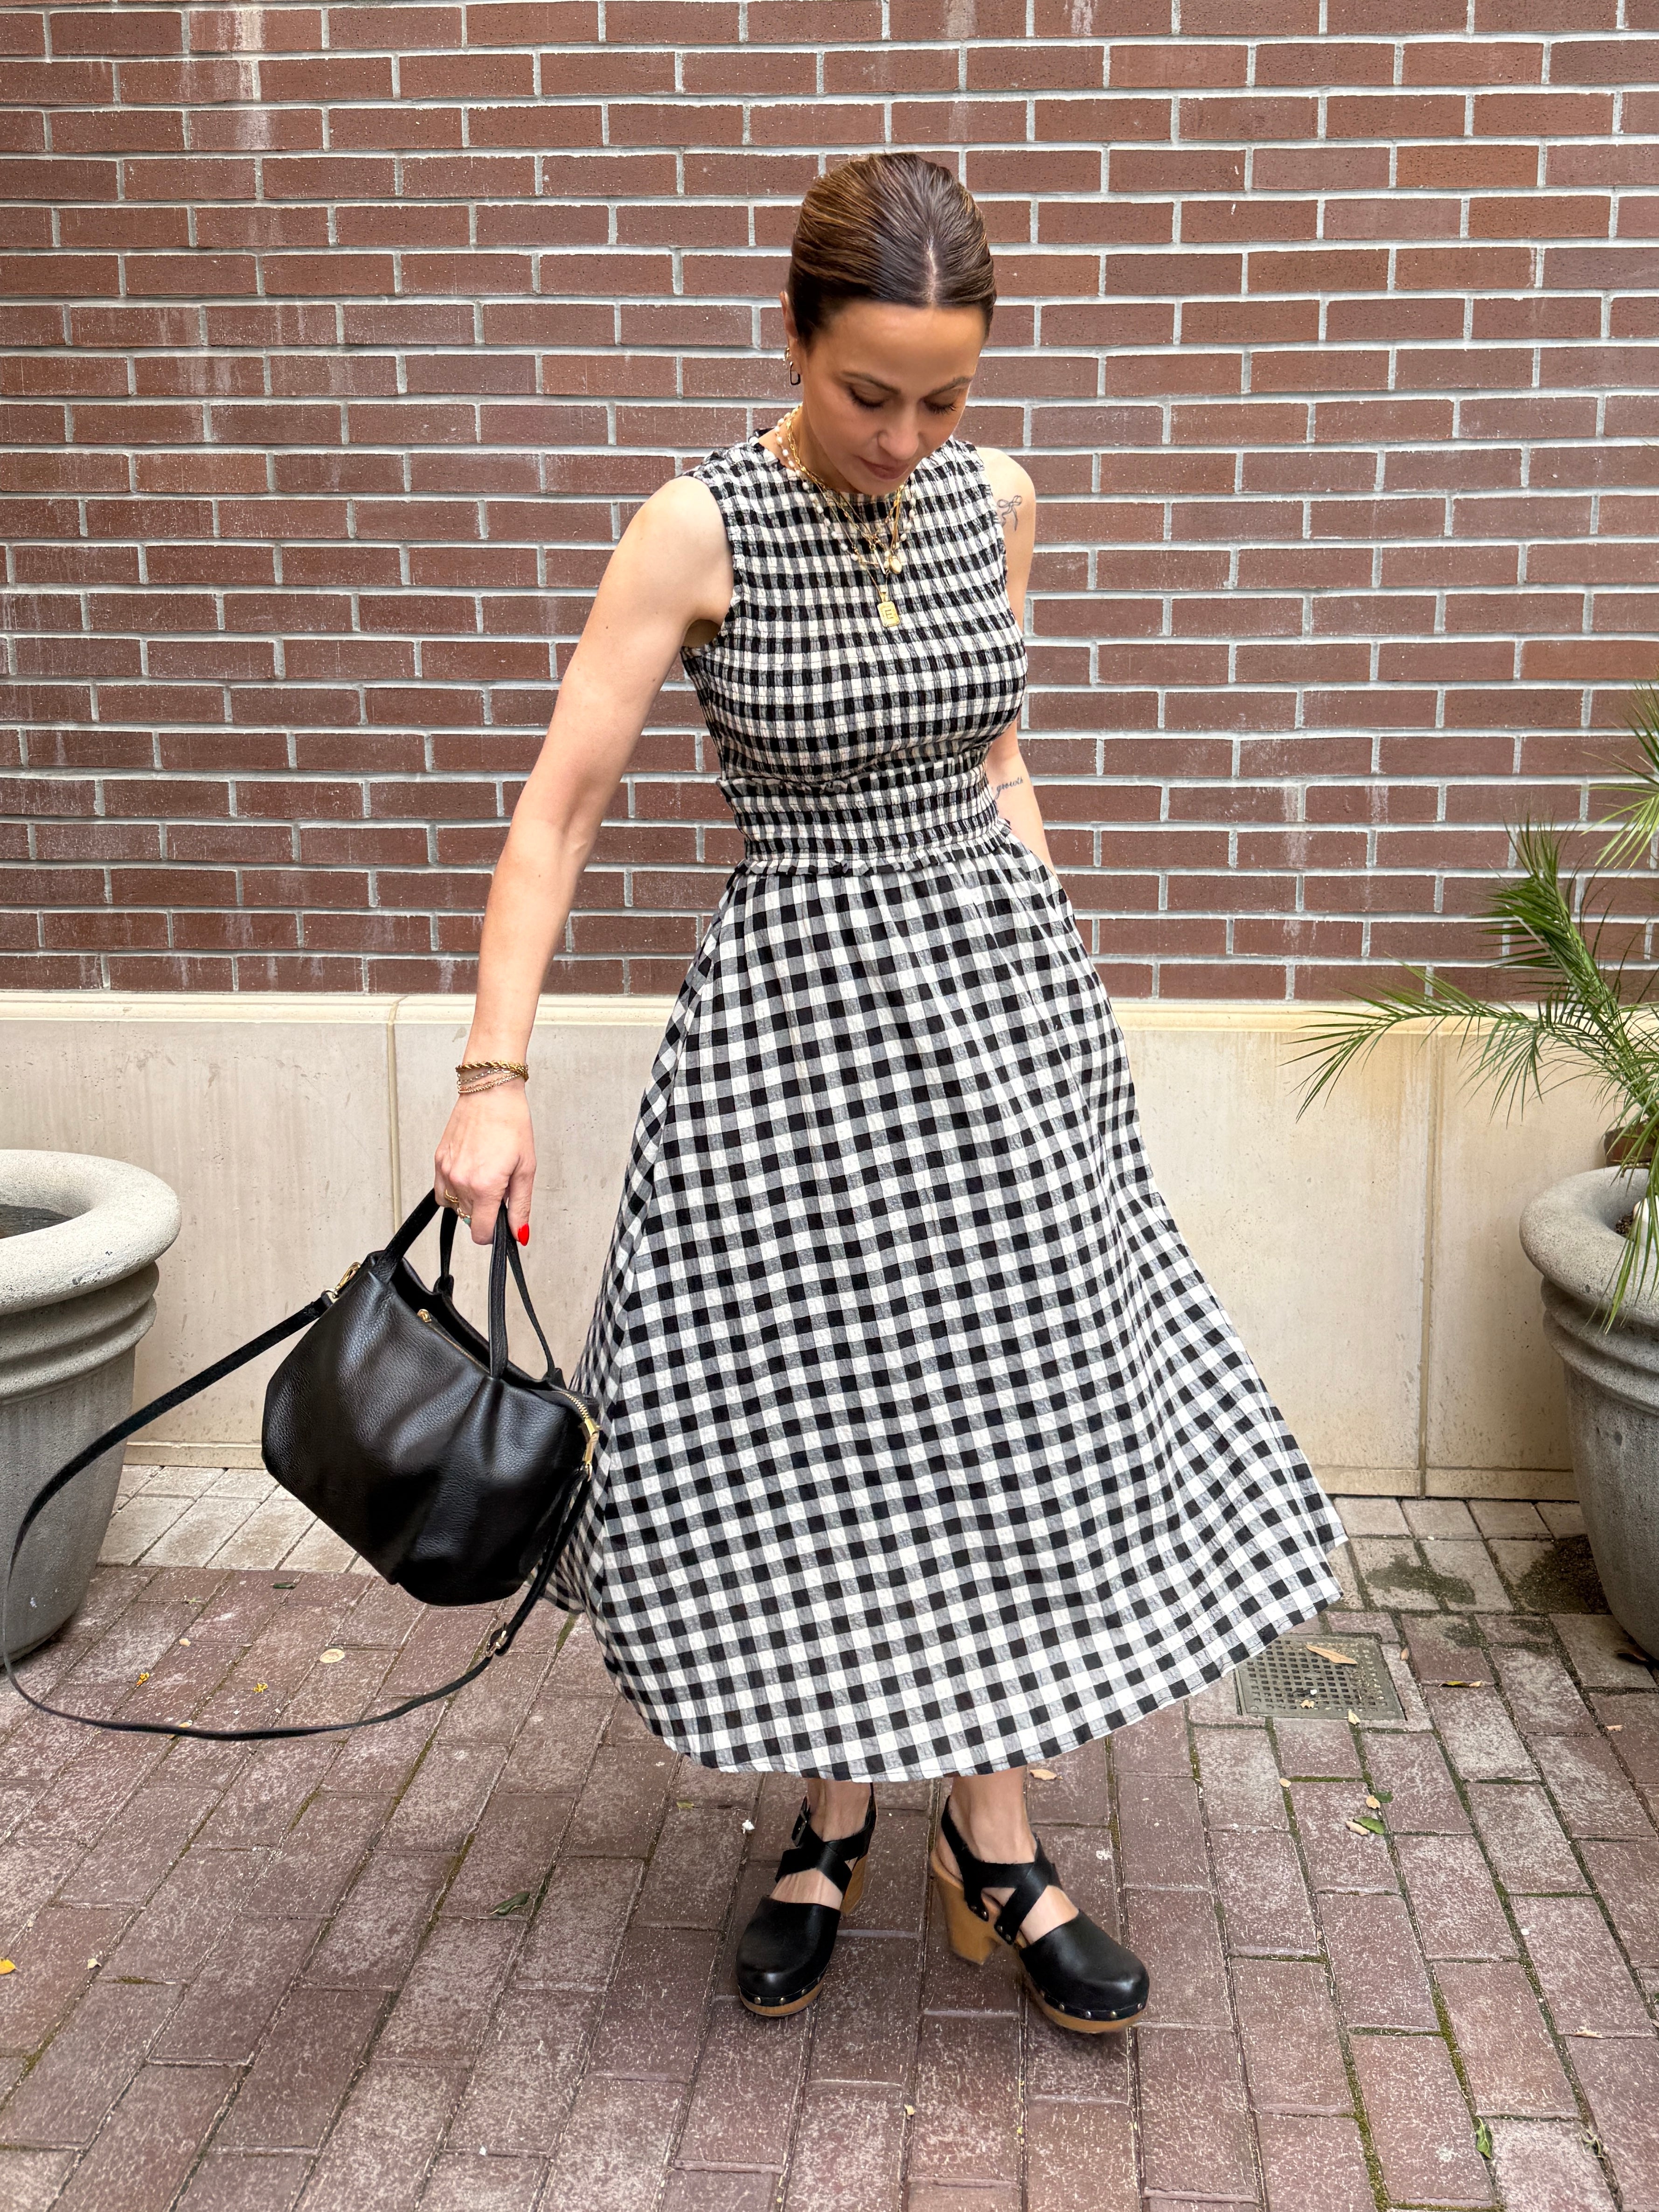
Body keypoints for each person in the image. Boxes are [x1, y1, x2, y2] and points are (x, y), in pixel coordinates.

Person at [434, 151, 1347, 2036]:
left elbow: (997, 752)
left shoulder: (987, 499)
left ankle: (988, 1842)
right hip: (789, 1045)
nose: (907, 438)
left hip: (998, 1025)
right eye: (869, 393)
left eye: (946, 398)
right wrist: (494, 1076)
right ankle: (832, 1812)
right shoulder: (697, 527)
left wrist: (1060, 982)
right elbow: (557, 809)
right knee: (822, 1430)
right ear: (790, 338)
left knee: (1009, 1415)